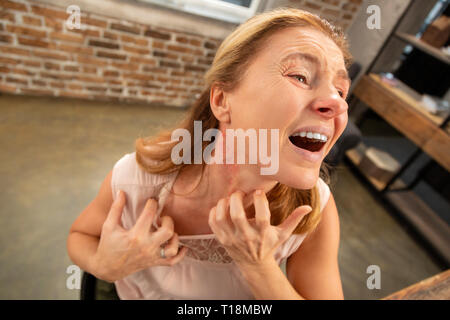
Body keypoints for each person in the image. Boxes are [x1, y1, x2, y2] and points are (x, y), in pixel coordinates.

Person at [67, 7, 352, 300]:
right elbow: (80, 237)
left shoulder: (314, 211)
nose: (338, 104)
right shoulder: (137, 181)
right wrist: (103, 265)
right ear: (221, 100)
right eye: (301, 76)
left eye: (341, 91)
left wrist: (259, 267)